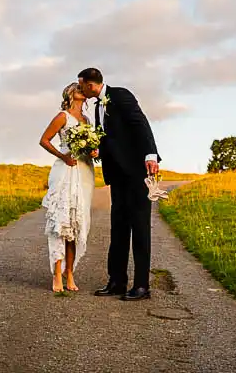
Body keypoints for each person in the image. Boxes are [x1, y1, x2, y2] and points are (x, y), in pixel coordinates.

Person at [79, 67, 160, 301]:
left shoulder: (121, 95)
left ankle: (142, 286)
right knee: (119, 228)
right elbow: (111, 138)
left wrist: (150, 155)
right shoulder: (98, 108)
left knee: (140, 229)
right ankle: (116, 281)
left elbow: (140, 123)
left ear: (90, 84)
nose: (81, 89)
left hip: (136, 172)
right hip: (117, 176)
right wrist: (98, 149)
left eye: (82, 85)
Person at [38, 82, 97, 293]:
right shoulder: (62, 116)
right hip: (65, 169)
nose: (83, 91)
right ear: (71, 94)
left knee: (76, 224)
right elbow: (44, 140)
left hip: (84, 171)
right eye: (78, 89)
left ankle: (69, 272)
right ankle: (56, 274)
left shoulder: (87, 120)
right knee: (60, 223)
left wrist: (93, 151)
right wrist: (63, 155)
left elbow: (92, 145)